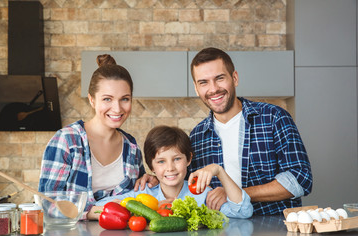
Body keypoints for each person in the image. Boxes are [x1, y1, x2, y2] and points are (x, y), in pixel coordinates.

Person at [188, 47, 313, 215]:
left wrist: (235, 193)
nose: (213, 89)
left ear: (235, 78)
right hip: (223, 231)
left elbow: (300, 180)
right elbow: (186, 185)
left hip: (275, 229)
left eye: (220, 78)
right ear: (196, 89)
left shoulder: (274, 118)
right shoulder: (197, 136)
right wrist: (152, 180)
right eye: (203, 82)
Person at [38, 54, 155, 219]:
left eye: (125, 99)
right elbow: (46, 202)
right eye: (107, 99)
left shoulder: (131, 147)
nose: (117, 108)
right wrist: (89, 213)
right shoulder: (67, 141)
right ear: (92, 100)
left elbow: (136, 197)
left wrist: (148, 181)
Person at [92, 125, 253, 219]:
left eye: (177, 159)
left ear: (189, 159)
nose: (170, 168)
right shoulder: (143, 194)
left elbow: (243, 211)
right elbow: (97, 207)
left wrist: (219, 171)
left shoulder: (202, 195)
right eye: (161, 161)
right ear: (151, 166)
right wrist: (148, 209)